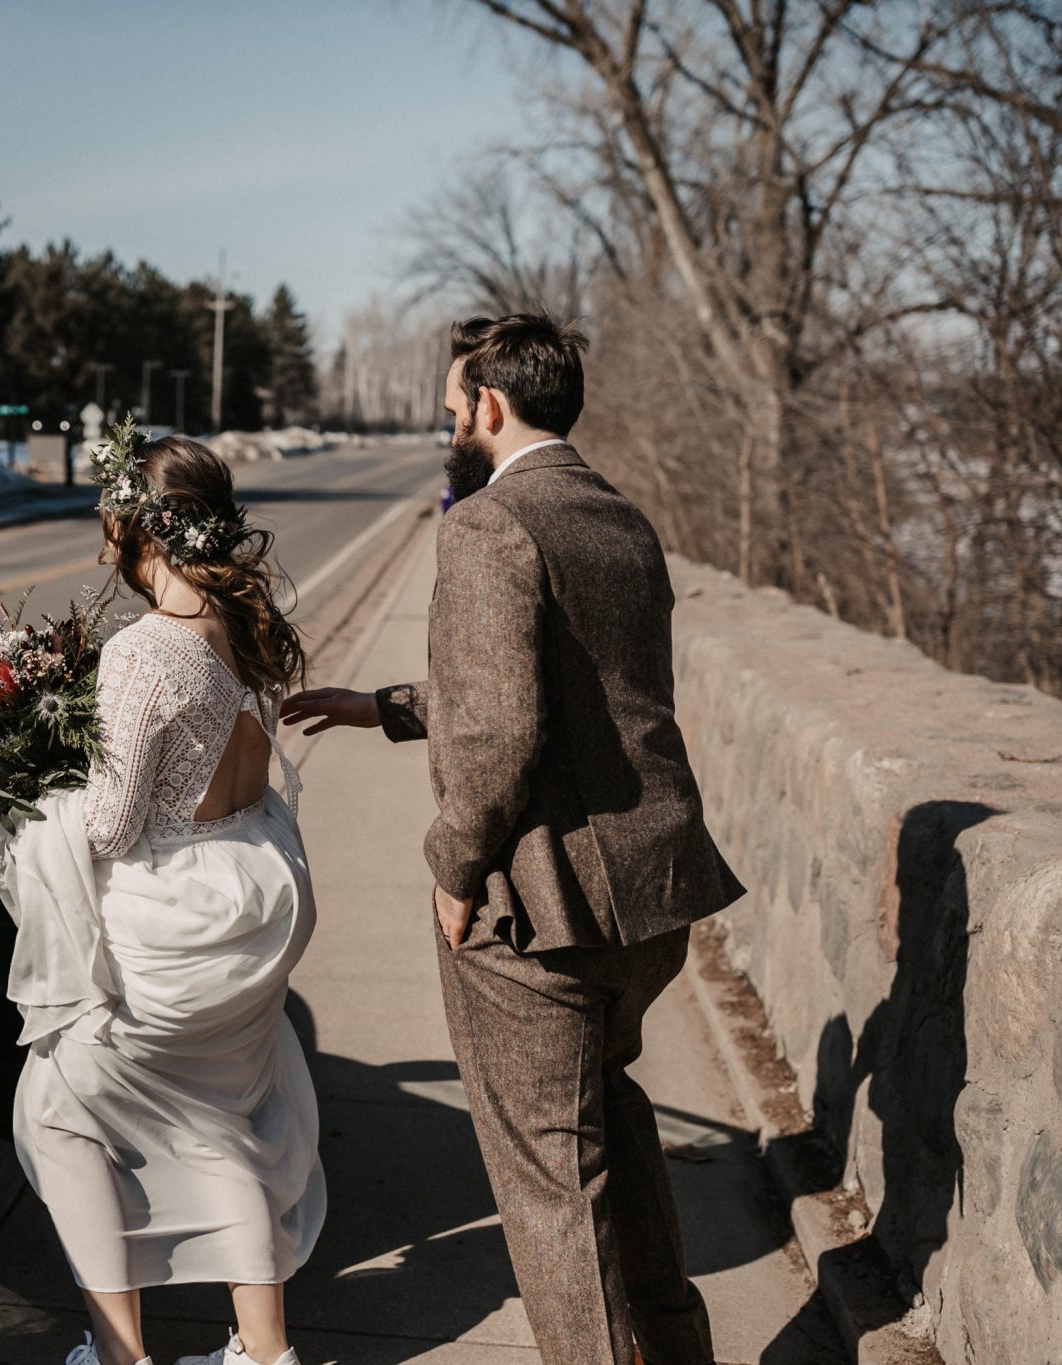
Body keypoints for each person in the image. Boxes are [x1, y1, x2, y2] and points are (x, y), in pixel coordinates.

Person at [282, 314, 745, 1365]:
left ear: (488, 407)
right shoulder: (618, 517)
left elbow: (501, 734)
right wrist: (391, 705)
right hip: (650, 895)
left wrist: (451, 868)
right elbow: (573, 691)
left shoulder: (488, 524)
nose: (450, 422)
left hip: (542, 905)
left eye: (453, 407)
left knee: (548, 1184)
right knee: (608, 1129)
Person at [21, 433, 323, 1365]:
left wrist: (29, 798)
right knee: (220, 1123)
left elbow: (110, 827)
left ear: (131, 526)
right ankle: (265, 1355)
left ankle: (121, 1357)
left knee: (56, 1113)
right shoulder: (240, 624)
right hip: (247, 913)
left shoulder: (144, 653)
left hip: (169, 935)